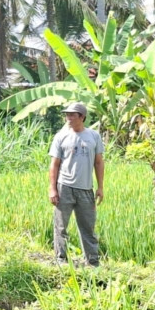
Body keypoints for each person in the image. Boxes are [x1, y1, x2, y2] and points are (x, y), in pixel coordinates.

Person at [48, 102, 105, 267]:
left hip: (86, 189)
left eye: (72, 115)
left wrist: (100, 187)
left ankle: (93, 262)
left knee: (88, 227)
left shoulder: (94, 136)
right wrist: (52, 189)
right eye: (67, 114)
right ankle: (61, 259)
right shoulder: (61, 136)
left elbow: (99, 162)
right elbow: (54, 164)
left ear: (82, 117)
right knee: (61, 225)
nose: (68, 118)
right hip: (64, 187)